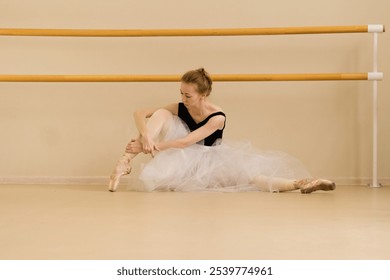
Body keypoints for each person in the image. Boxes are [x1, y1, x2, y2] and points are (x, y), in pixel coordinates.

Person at [108, 68, 336, 193]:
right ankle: (124, 162)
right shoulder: (179, 107)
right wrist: (146, 138)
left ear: (202, 96)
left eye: (188, 95)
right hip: (181, 159)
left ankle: (304, 182)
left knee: (254, 178)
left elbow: (186, 142)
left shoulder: (217, 117)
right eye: (181, 93)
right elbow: (140, 113)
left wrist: (153, 146)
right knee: (161, 114)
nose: (183, 99)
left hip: (210, 160)